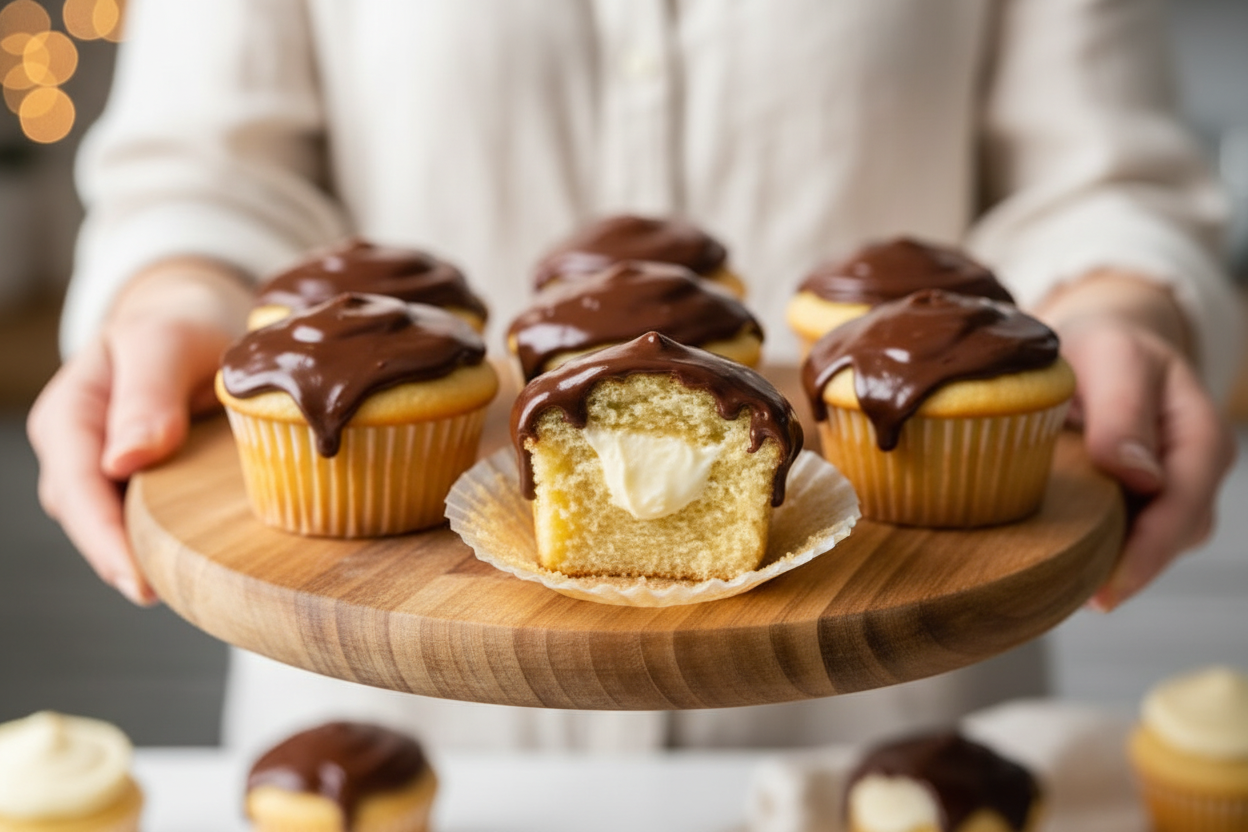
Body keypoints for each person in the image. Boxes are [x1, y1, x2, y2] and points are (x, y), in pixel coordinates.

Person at [27, 0, 1240, 752]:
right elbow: (207, 167)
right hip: (398, 695)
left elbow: (1104, 173)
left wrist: (1121, 297)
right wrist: (175, 290)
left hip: (889, 696)